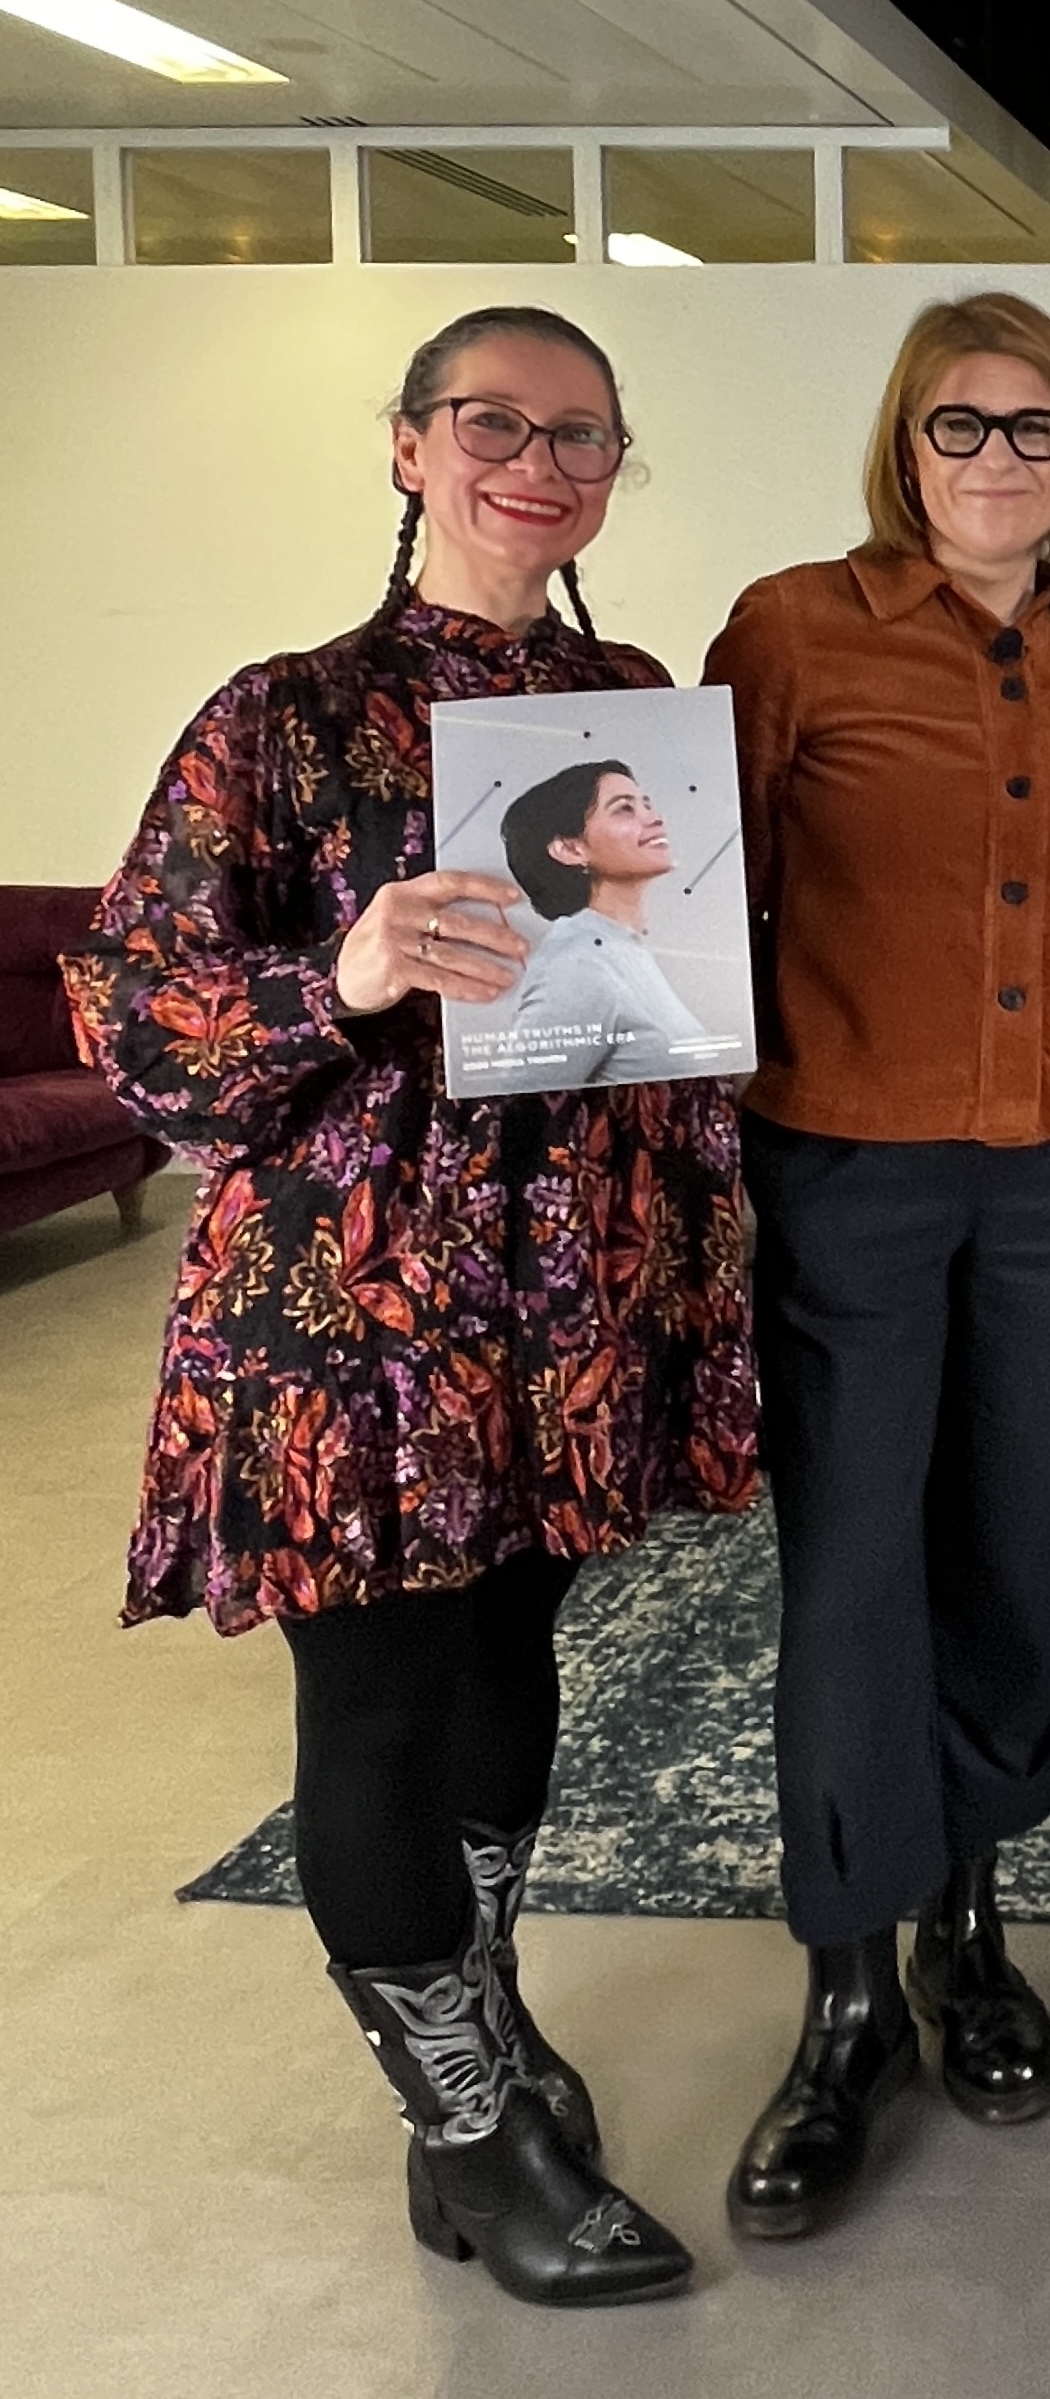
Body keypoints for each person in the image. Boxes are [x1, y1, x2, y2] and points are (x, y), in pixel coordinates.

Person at [63, 306, 755, 2307]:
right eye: (495, 423)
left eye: (583, 436)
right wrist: (346, 973)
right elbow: (130, 1013)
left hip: (569, 1302)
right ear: (406, 447)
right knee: (372, 1703)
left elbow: (658, 1018)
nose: (539, 463)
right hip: (350, 1315)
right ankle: (466, 2127)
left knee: (506, 1660)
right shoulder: (279, 718)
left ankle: (480, 2007)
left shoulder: (630, 704)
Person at [710, 294, 1050, 2237]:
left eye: (1035, 432)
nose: (997, 462)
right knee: (855, 1572)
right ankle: (840, 1992)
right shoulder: (791, 630)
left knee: (1033, 1549)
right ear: (904, 448)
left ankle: (967, 1920)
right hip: (851, 1172)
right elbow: (672, 891)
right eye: (960, 429)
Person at [496, 760, 712, 1085]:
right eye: (624, 809)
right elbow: (521, 1102)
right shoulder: (577, 966)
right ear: (570, 849)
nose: (655, 818)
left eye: (647, 804)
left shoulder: (619, 946)